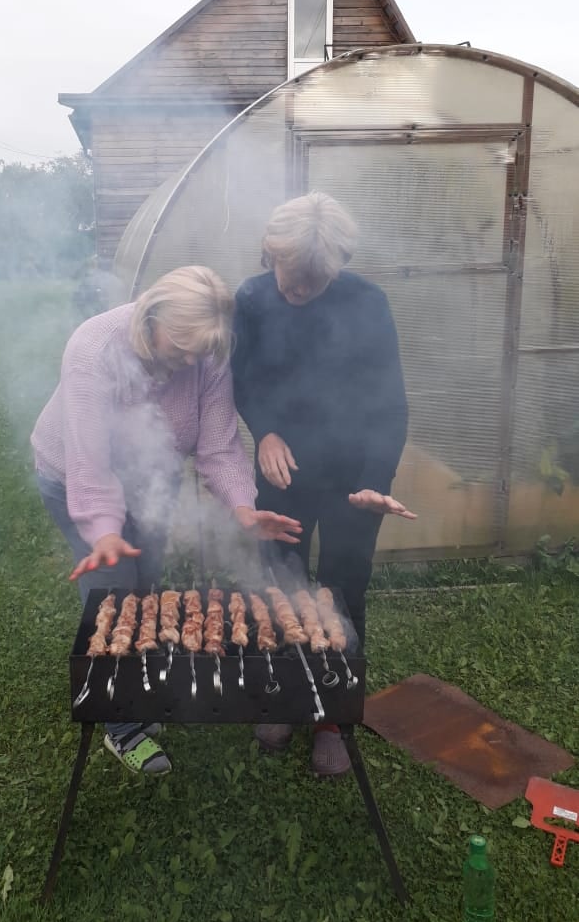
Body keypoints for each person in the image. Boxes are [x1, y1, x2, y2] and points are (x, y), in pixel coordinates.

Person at [32, 265, 302, 777]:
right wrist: (106, 531)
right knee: (113, 594)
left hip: (151, 477)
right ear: (150, 317)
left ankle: (137, 690)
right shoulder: (95, 348)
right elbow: (89, 463)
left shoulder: (206, 354)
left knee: (148, 587)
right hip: (74, 474)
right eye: (180, 348)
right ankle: (121, 727)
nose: (189, 362)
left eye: (200, 352)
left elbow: (218, 445)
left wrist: (243, 507)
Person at [231, 192, 416, 777]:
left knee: (341, 589)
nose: (300, 290)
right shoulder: (253, 298)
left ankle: (331, 715)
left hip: (351, 476)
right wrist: (264, 432)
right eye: (292, 276)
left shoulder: (368, 303)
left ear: (335, 269)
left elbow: (390, 404)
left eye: (315, 280)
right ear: (270, 252)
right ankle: (287, 693)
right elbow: (244, 378)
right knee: (279, 577)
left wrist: (373, 481)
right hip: (283, 470)